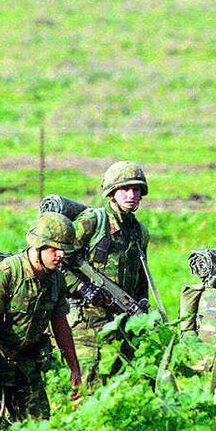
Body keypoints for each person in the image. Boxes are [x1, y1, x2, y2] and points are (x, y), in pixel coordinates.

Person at [0, 213, 83, 423]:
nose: (61, 254)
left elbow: (61, 325)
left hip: (24, 362)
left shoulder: (56, 280)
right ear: (38, 246)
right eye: (55, 248)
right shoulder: (5, 273)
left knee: (39, 429)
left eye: (65, 249)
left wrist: (74, 368)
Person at [69, 161, 153, 385]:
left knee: (118, 384)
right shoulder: (93, 222)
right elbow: (57, 259)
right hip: (88, 321)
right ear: (112, 193)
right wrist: (81, 287)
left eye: (136, 190)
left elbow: (141, 278)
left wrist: (143, 307)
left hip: (122, 323)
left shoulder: (139, 232)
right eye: (125, 189)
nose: (131, 195)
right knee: (86, 385)